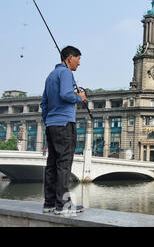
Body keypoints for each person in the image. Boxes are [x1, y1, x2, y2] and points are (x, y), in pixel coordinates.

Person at [40, 46, 86, 215]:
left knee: (52, 164)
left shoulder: (50, 76)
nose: (79, 63)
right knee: (64, 164)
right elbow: (66, 95)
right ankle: (64, 205)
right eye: (78, 59)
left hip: (51, 125)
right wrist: (79, 97)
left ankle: (49, 203)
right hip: (64, 124)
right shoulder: (66, 73)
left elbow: (44, 103)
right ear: (69, 58)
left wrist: (48, 121)